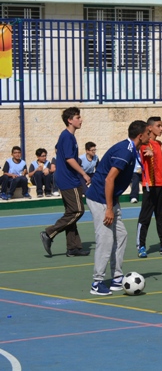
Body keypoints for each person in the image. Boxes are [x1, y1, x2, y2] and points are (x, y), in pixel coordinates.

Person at [86, 120, 151, 296]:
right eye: (148, 133)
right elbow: (109, 179)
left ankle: (116, 277)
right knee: (106, 239)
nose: (150, 136)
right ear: (140, 135)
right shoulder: (125, 151)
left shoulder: (132, 150)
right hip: (100, 199)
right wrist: (109, 208)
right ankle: (97, 282)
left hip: (110, 199)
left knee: (121, 235)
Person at [40, 107, 91, 258]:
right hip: (69, 180)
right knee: (77, 211)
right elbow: (69, 158)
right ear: (70, 120)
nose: (80, 120)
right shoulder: (67, 136)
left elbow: (60, 151)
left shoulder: (67, 137)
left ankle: (73, 247)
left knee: (70, 213)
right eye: (78, 117)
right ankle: (49, 233)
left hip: (66, 178)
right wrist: (83, 173)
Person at [136, 116, 162, 259]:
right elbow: (144, 151)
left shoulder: (158, 144)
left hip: (159, 186)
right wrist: (148, 153)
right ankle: (141, 246)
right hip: (149, 186)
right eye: (159, 125)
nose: (161, 128)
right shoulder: (146, 144)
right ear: (150, 128)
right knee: (145, 218)